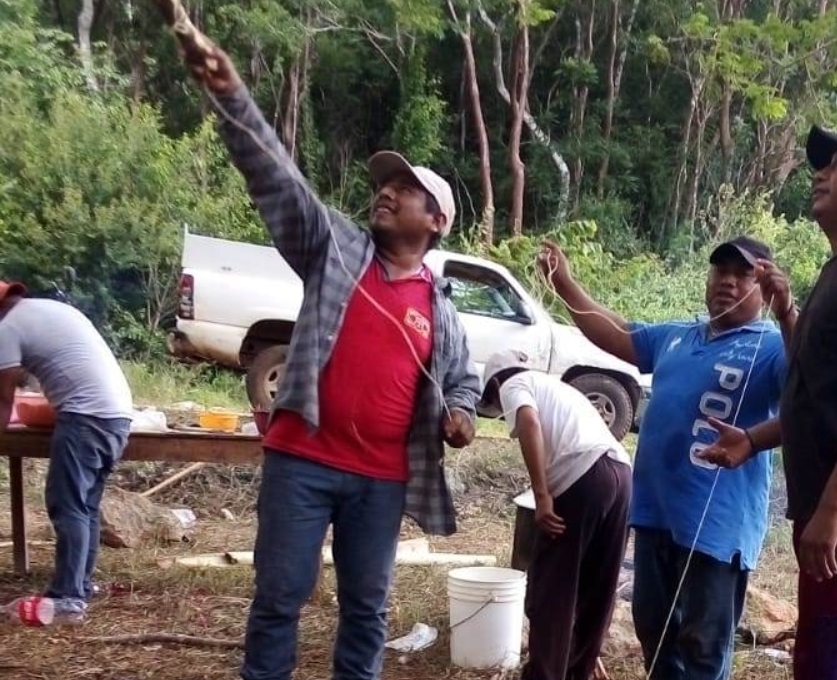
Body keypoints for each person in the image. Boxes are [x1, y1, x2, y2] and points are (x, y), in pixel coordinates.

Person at [178, 33, 482, 680]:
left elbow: (463, 382)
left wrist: (461, 415)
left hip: (382, 480)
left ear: (435, 222)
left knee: (367, 609)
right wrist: (229, 91)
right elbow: (274, 176)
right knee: (277, 598)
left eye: (404, 189)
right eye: (385, 185)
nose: (386, 193)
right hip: (302, 461)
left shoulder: (443, 311)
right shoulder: (334, 248)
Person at [699, 125, 837, 680]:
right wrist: (754, 438)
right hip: (835, 510)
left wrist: (833, 508)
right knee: (820, 659)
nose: (820, 172)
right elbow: (820, 389)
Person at [538, 236, 789, 680]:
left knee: (703, 646)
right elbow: (614, 332)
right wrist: (564, 284)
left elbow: (814, 398)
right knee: (653, 629)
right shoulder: (678, 336)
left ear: (764, 281)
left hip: (717, 526)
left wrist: (787, 312)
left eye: (743, 273)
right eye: (720, 271)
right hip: (654, 516)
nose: (727, 282)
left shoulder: (772, 346)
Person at [480, 349, 632, 680]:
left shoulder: (513, 384)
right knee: (598, 586)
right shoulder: (557, 387)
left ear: (494, 384)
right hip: (622, 474)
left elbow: (529, 422)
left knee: (554, 588)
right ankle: (579, 672)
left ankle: (544, 675)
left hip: (584, 477)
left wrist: (542, 495)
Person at [0, 281, 133, 615]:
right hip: (117, 416)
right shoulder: (53, 309)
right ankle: (79, 587)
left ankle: (68, 597)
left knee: (67, 504)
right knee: (84, 505)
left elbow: (3, 401)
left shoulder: (6, 329)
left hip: (85, 417)